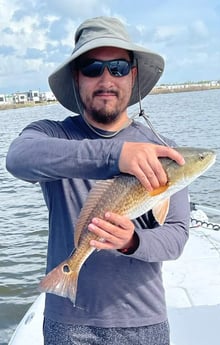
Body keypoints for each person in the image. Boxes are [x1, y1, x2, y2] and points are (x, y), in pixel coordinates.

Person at [6, 16, 190, 345]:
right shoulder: (52, 134)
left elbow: (176, 235)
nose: (106, 78)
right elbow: (19, 158)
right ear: (77, 77)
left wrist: (132, 241)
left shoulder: (166, 152)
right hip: (68, 323)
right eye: (92, 68)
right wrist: (114, 156)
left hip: (143, 322)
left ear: (133, 75)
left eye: (118, 67)